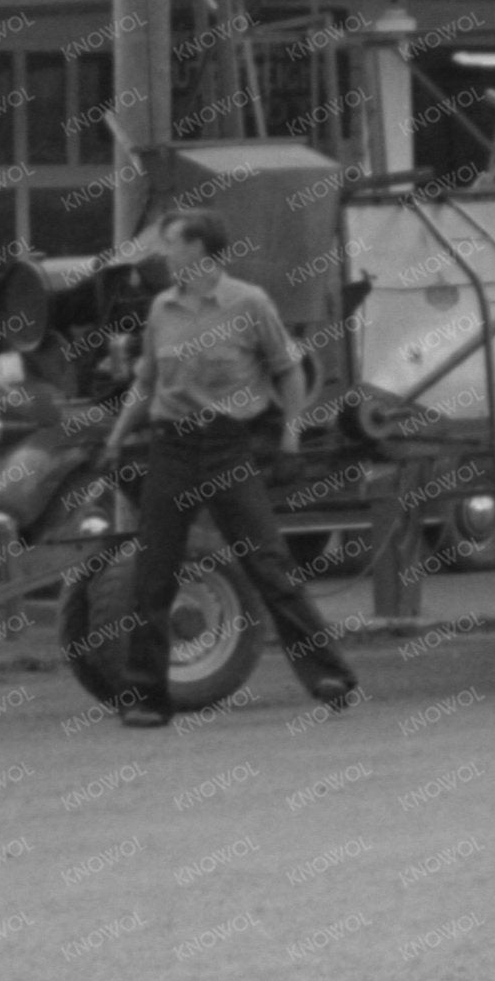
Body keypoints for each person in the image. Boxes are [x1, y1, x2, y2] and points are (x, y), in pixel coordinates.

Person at [101, 208, 357, 726]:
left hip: (226, 447)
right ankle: (146, 696)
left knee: (268, 563)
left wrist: (289, 433)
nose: (163, 253)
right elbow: (147, 383)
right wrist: (115, 439)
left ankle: (330, 675)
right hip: (171, 447)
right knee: (154, 573)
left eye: (170, 243)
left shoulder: (249, 303)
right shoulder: (161, 309)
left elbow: (288, 372)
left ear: (198, 248)